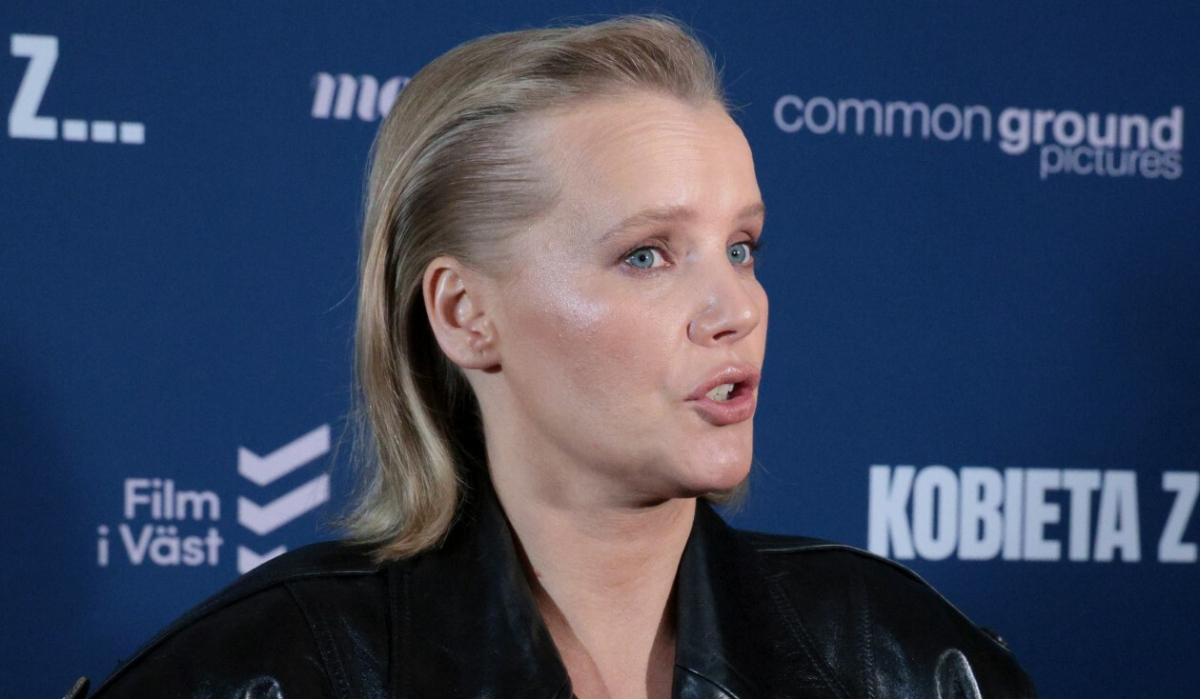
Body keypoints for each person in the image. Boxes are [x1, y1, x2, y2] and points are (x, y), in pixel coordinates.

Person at [72, 15, 1036, 699]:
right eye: (647, 254)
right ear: (464, 314)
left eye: (742, 247)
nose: (736, 308)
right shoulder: (267, 672)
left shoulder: (900, 656)